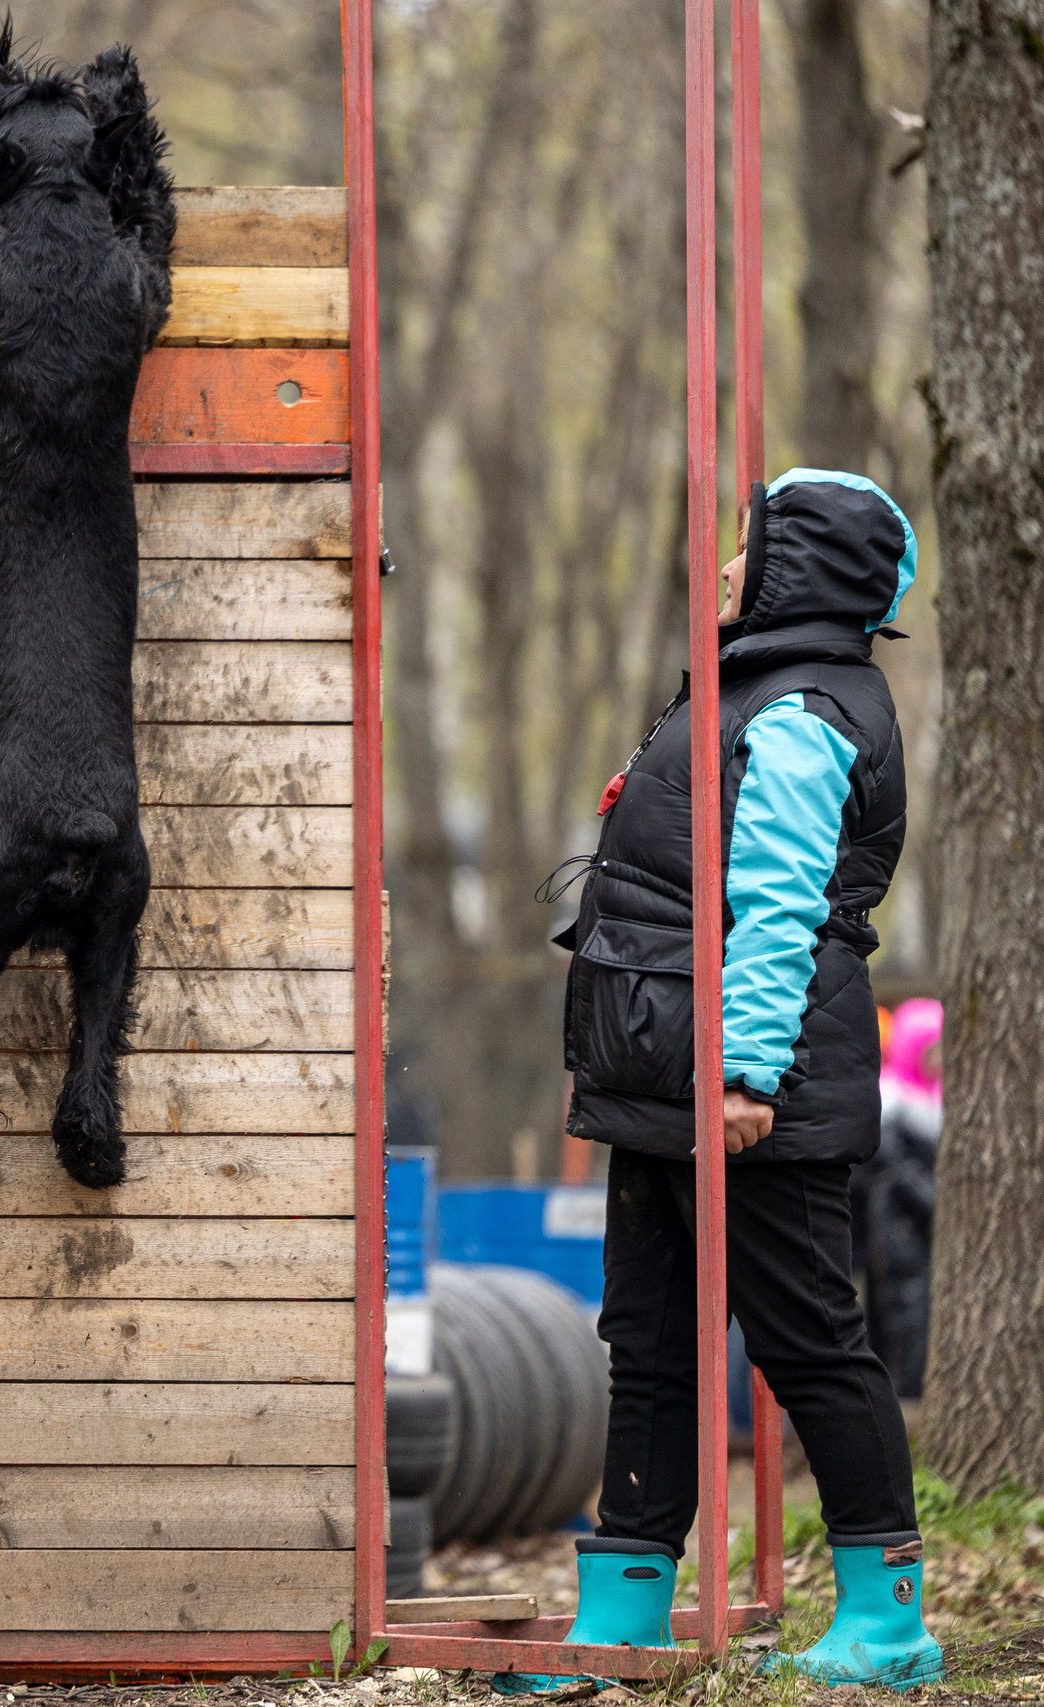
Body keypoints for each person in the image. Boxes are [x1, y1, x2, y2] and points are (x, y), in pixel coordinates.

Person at [501, 470, 941, 1693]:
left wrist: (743, 1075)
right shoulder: (747, 683)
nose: (731, 564)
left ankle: (886, 1620)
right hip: (661, 1075)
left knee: (808, 1342)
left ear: (798, 566)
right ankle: (624, 1613)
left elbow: (779, 911)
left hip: (750, 1089)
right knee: (645, 1342)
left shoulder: (804, 709)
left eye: (752, 545)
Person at [857, 997, 942, 1396]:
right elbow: (896, 1171)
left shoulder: (936, 1104)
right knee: (903, 1323)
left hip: (925, 1231)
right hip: (899, 1235)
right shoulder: (889, 1105)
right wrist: (938, 1207)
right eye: (931, 1049)